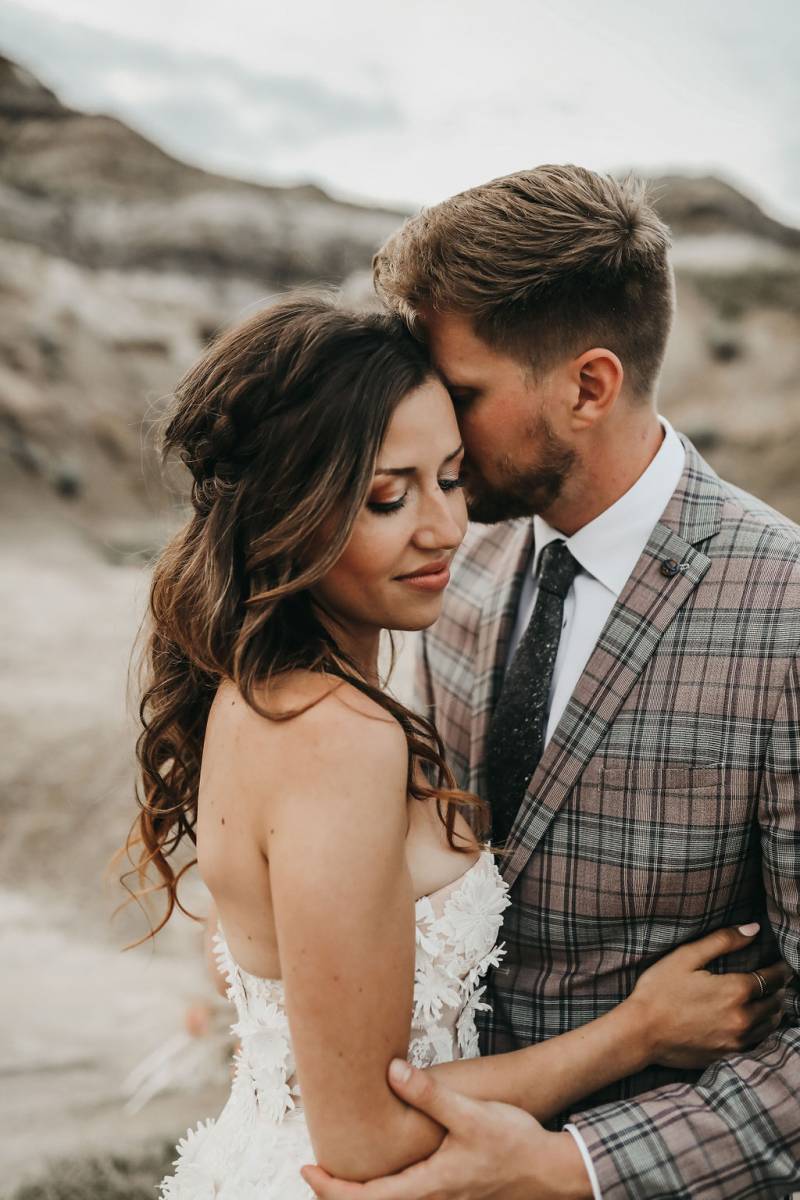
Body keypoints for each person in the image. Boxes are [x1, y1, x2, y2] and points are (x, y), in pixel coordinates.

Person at [124, 295, 784, 1200]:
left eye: (451, 476)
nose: (444, 530)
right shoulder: (334, 738)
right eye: (389, 496)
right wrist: (636, 1034)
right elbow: (364, 1132)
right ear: (292, 510)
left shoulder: (264, 695)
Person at [303, 166, 800, 1200]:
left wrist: (575, 1168)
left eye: (464, 394)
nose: (432, 424)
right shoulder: (453, 569)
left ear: (587, 386)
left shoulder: (784, 611)